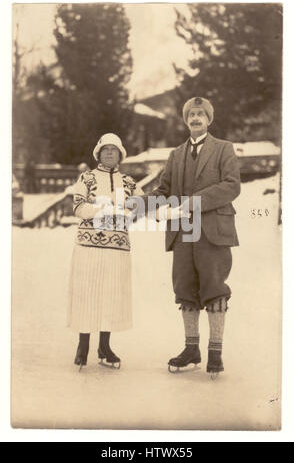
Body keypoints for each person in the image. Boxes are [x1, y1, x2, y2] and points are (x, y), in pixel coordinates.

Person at [136, 97, 241, 377]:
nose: (195, 118)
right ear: (186, 120)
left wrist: (196, 201)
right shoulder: (176, 154)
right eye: (191, 114)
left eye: (200, 114)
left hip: (213, 231)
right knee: (185, 289)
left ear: (209, 119)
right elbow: (165, 189)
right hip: (183, 231)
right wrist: (142, 203)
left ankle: (215, 353)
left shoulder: (224, 149)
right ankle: (191, 349)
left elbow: (232, 186)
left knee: (214, 288)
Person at [67, 133, 143, 370]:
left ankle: (105, 346)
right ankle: (83, 345)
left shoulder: (130, 182)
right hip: (89, 247)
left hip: (117, 248)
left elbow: (141, 207)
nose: (109, 153)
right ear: (98, 153)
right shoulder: (87, 178)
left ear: (121, 154)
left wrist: (131, 209)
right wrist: (105, 207)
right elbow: (78, 207)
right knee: (87, 293)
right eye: (105, 149)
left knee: (111, 295)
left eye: (114, 149)